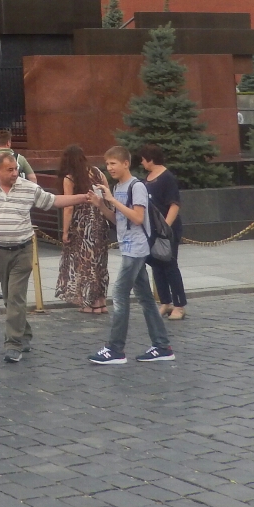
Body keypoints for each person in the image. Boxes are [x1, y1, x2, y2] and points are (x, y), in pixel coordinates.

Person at [0, 148, 92, 362]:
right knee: (10, 298)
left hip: (23, 250)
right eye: (10, 170)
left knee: (15, 297)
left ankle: (13, 343)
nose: (15, 173)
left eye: (16, 169)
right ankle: (24, 333)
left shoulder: (27, 187)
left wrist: (83, 198)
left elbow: (53, 201)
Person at [87, 145, 175, 364]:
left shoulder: (137, 187)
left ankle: (115, 349)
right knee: (145, 298)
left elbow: (137, 217)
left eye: (113, 163)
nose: (109, 168)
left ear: (126, 164)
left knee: (119, 295)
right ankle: (162, 346)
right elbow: (119, 220)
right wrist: (101, 205)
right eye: (107, 164)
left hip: (136, 248)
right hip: (127, 246)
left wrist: (112, 200)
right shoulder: (118, 187)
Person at [55, 144, 111, 314]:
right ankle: (101, 302)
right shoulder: (98, 172)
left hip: (82, 225)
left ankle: (90, 304)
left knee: (86, 264)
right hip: (100, 221)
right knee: (99, 263)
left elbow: (68, 206)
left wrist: (65, 231)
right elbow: (108, 195)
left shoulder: (70, 178)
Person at [139, 145, 186, 320]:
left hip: (167, 230)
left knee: (170, 266)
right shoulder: (147, 178)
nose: (142, 163)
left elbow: (174, 205)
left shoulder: (167, 177)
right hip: (152, 230)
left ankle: (179, 305)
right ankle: (165, 302)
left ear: (150, 159)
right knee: (157, 266)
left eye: (143, 159)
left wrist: (165, 227)